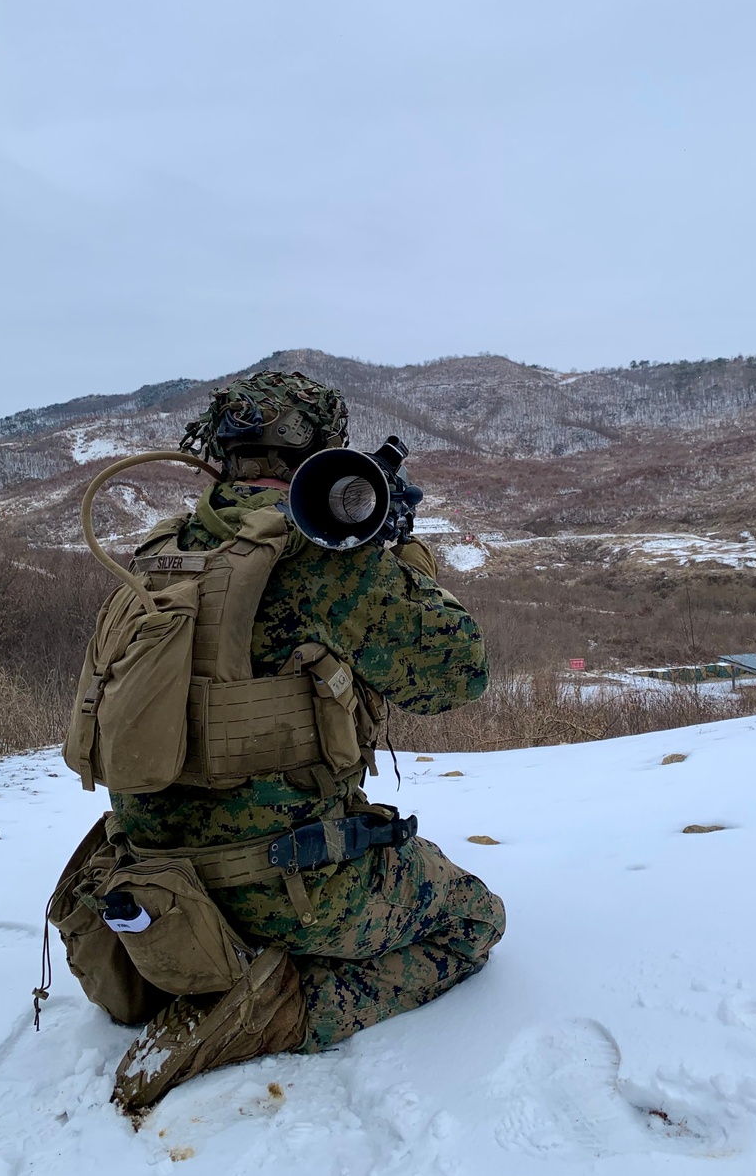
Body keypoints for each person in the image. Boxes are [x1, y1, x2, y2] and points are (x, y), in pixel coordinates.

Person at [91, 371, 504, 1109]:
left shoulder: (162, 552)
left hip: (162, 885)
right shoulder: (322, 555)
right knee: (474, 920)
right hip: (285, 890)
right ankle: (283, 1008)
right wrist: (400, 555)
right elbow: (458, 674)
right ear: (320, 446)